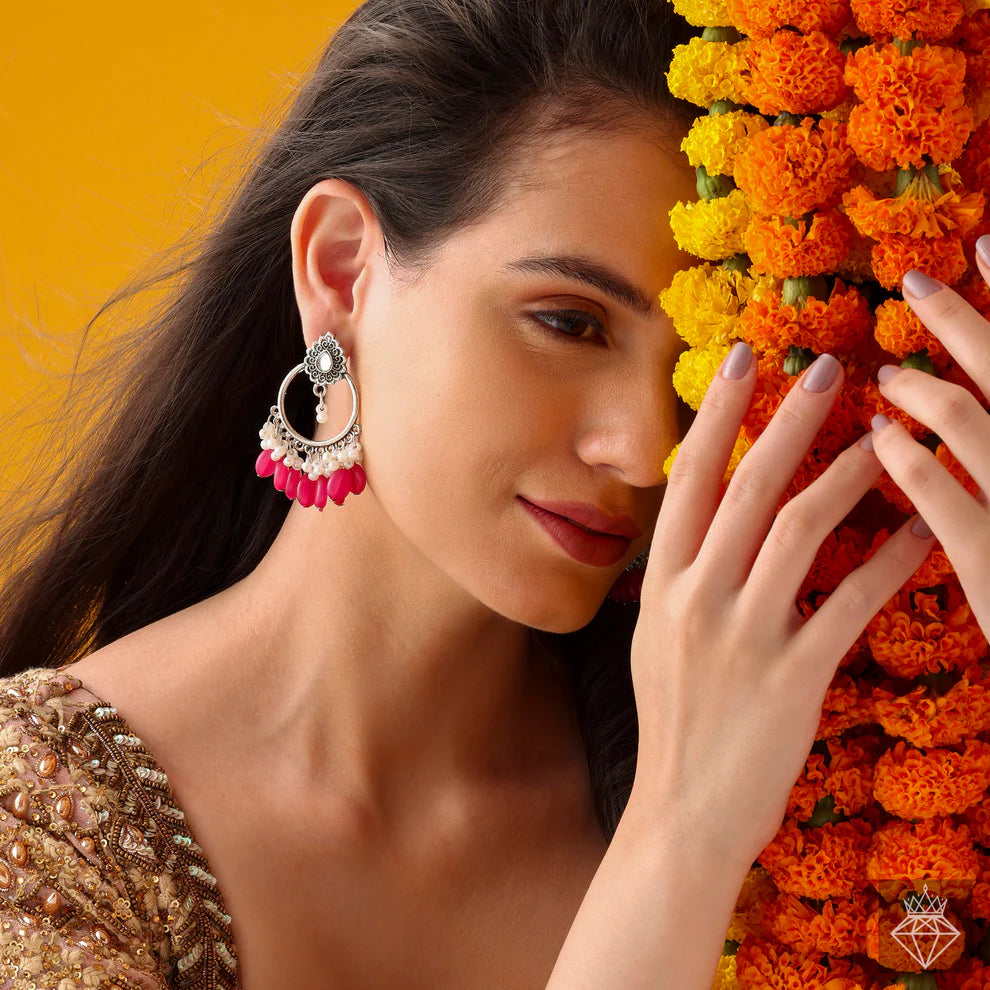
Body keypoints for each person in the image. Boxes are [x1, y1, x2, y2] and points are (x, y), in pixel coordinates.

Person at [1, 0, 989, 987]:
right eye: (569, 322)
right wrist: (679, 836)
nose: (645, 452)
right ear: (343, 269)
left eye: (696, 378)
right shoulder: (41, 825)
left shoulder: (821, 802)